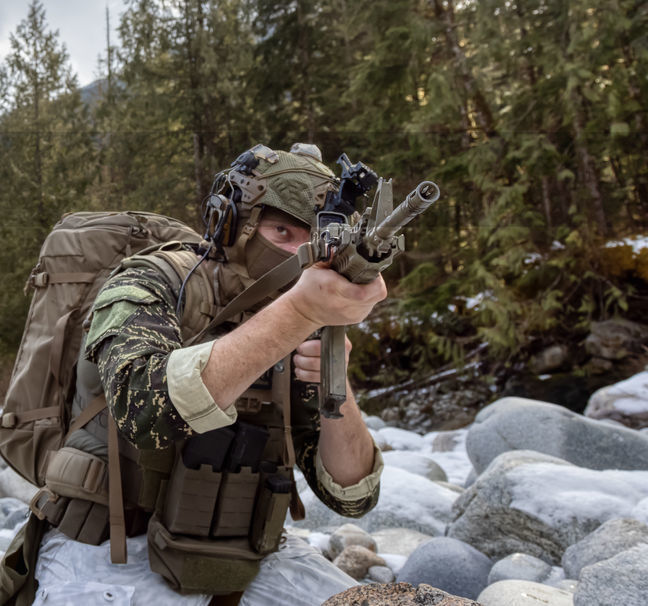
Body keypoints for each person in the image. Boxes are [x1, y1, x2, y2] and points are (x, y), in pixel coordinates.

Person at [22, 143, 385, 606]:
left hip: (247, 554)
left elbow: (351, 497)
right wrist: (296, 313)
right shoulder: (149, 282)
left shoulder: (302, 320)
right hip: (110, 545)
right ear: (231, 223)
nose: (300, 254)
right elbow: (143, 411)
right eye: (281, 231)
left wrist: (336, 385)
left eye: (311, 239)